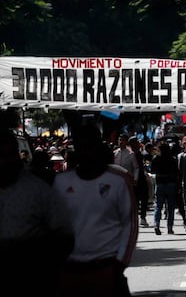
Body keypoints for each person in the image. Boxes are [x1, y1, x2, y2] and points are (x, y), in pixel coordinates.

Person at [53, 125, 138, 297]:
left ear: (99, 148)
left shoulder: (118, 181)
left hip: (106, 267)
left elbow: (130, 225)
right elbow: (53, 225)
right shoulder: (61, 182)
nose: (86, 153)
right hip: (71, 270)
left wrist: (119, 263)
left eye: (90, 147)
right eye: (81, 147)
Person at [0, 129, 75, 297]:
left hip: (31, 277)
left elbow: (64, 236)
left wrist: (43, 266)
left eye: (8, 155)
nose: (3, 161)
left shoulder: (39, 191)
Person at [151, 143, 180, 235]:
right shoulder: (173, 159)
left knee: (158, 206)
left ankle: (156, 225)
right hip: (171, 183)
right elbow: (177, 172)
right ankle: (170, 227)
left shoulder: (156, 159)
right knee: (170, 208)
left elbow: (152, 170)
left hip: (160, 183)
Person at [128, 136, 150, 227]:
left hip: (141, 178)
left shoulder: (139, 153)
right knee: (136, 199)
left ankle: (142, 217)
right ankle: (137, 217)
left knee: (144, 198)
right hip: (133, 178)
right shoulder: (131, 153)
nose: (138, 143)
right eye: (136, 142)